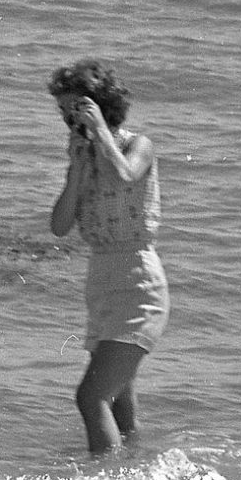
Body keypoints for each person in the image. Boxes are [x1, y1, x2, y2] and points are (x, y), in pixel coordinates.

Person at [46, 57, 166, 455]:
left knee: (90, 397)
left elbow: (127, 175)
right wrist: (78, 170)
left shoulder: (138, 145)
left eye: (76, 111)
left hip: (137, 283)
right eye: (65, 115)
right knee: (119, 399)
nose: (70, 122)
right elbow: (60, 225)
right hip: (102, 286)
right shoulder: (82, 156)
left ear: (99, 105)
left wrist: (101, 134)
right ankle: (135, 479)